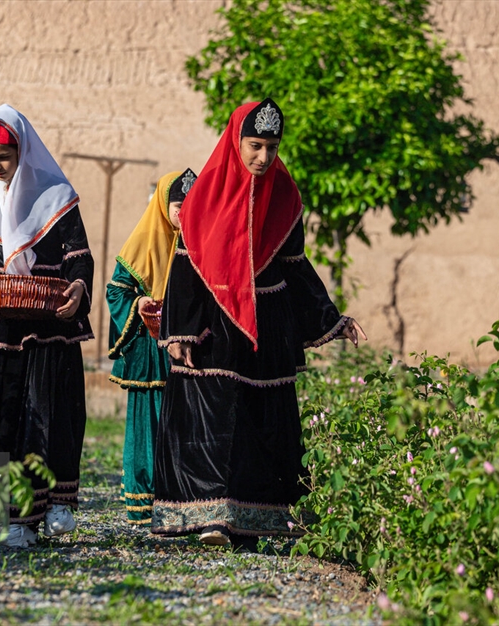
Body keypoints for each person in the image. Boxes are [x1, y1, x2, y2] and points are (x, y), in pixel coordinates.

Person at [150, 98, 366, 552]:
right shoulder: (203, 196)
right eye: (254, 146)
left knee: (258, 424)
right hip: (212, 329)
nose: (263, 158)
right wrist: (179, 332)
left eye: (271, 147)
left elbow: (296, 267)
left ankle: (252, 522)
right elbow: (185, 268)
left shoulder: (286, 198)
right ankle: (211, 519)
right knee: (211, 420)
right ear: (236, 140)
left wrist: (331, 318)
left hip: (267, 327)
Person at [0, 105, 94, 548]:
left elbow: (80, 257)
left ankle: (54, 505)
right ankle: (8, 520)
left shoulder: (56, 197)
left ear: (23, 150)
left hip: (49, 328)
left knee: (48, 415)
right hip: (0, 333)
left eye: (4, 156)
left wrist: (77, 289)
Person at [106, 168, 196, 527]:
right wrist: (140, 303)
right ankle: (143, 501)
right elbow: (116, 291)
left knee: (186, 424)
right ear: (163, 205)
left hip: (189, 349)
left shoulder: (202, 241)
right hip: (150, 346)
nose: (183, 212)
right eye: (177, 205)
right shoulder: (142, 242)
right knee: (147, 424)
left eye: (190, 204)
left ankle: (184, 500)